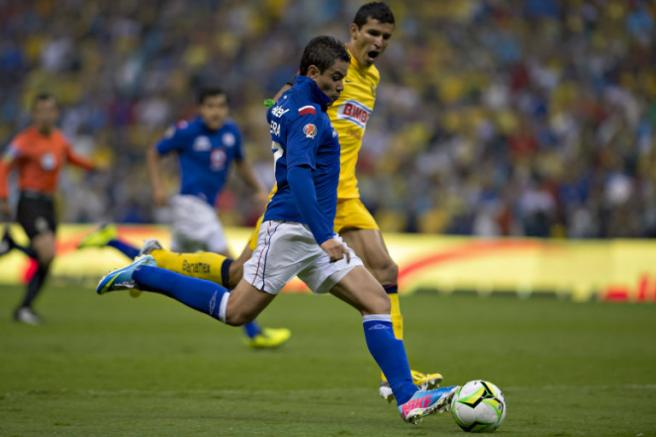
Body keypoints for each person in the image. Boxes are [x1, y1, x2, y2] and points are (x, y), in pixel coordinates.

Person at [96, 35, 458, 424]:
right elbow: (300, 175)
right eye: (335, 79)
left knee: (376, 300)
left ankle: (407, 397)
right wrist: (325, 236)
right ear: (313, 72)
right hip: (292, 228)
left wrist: (285, 102)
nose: (340, 87)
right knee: (235, 310)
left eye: (344, 80)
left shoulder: (288, 101)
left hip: (311, 227)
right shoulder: (309, 115)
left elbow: (273, 106)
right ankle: (144, 273)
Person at [78, 88, 290, 348]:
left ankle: (114, 242)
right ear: (200, 109)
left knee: (168, 262)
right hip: (191, 205)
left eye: (221, 106)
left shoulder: (231, 132)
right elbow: (154, 152)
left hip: (202, 209)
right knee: (234, 270)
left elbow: (241, 163)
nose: (216, 112)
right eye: (210, 106)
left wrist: (257, 188)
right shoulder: (187, 131)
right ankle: (254, 333)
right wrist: (157, 186)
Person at [0, 93, 99, 325]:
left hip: (49, 203)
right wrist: (4, 197)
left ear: (56, 114)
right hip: (29, 201)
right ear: (34, 114)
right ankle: (24, 305)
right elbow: (4, 166)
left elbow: (71, 157)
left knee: (48, 259)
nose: (46, 116)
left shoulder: (59, 140)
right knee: (47, 252)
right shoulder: (23, 141)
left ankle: (25, 307)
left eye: (50, 111)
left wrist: (92, 166)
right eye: (41, 111)